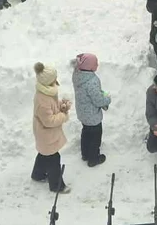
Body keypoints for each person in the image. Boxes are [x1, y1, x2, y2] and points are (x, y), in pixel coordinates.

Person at [31, 62, 71, 194]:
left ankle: (38, 175)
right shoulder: (42, 99)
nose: (56, 80)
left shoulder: (47, 92)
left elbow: (52, 107)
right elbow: (48, 120)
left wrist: (61, 106)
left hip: (46, 134)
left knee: (44, 153)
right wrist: (63, 116)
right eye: (54, 78)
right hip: (46, 133)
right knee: (53, 158)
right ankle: (57, 185)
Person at [72, 54, 110, 168]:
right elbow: (98, 100)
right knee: (95, 138)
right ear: (90, 66)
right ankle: (93, 158)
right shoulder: (92, 81)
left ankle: (85, 154)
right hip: (92, 116)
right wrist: (107, 98)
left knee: (86, 133)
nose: (97, 65)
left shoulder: (77, 75)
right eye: (95, 63)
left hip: (82, 113)